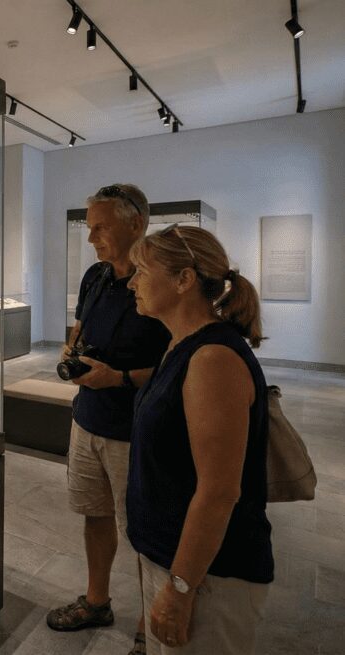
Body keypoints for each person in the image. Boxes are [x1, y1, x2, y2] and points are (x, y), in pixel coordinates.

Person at [126, 225, 273, 653]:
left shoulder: (212, 359)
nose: (132, 282)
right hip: (173, 558)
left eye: (141, 271)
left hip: (210, 576)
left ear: (184, 280)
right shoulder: (181, 346)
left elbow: (218, 491)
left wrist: (180, 588)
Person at [47, 185, 170, 655]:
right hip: (88, 420)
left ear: (135, 223)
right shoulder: (96, 276)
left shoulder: (162, 278)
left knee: (143, 529)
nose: (91, 236)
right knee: (95, 515)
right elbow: (80, 327)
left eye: (100, 226)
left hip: (137, 428)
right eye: (89, 226)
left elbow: (181, 364)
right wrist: (73, 353)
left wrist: (118, 378)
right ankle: (97, 600)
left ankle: (148, 625)